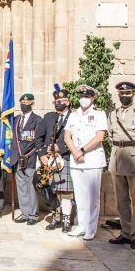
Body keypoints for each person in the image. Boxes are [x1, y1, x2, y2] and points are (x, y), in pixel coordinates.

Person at [107, 81, 135, 249]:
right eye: (122, 94)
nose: (124, 96)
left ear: (133, 94)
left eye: (127, 94)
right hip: (118, 157)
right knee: (121, 200)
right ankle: (125, 232)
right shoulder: (113, 114)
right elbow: (111, 134)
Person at [63, 85, 108, 240]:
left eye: (87, 96)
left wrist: (81, 150)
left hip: (92, 159)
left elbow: (99, 137)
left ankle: (90, 228)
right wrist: (75, 151)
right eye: (82, 96)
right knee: (80, 195)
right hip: (76, 160)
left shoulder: (99, 114)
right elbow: (67, 136)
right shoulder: (74, 115)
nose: (84, 99)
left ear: (92, 98)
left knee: (92, 197)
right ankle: (81, 225)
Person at [41, 87, 74, 232]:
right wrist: (42, 153)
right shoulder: (50, 117)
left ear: (68, 102)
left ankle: (66, 220)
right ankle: (56, 217)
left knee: (65, 191)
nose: (58, 103)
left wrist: (59, 148)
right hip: (50, 160)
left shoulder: (74, 117)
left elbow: (76, 139)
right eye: (56, 101)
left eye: (61, 101)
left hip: (65, 158)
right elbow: (39, 137)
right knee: (52, 190)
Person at [11, 93, 46, 226]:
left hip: (30, 157)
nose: (24, 105)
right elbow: (15, 139)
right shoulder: (16, 119)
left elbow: (38, 141)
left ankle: (33, 215)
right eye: (22, 103)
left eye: (27, 103)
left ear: (32, 104)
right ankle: (25, 213)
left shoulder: (38, 120)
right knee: (21, 186)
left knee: (31, 187)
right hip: (17, 158)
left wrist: (30, 154)